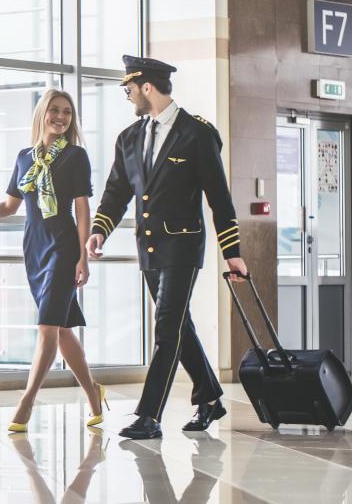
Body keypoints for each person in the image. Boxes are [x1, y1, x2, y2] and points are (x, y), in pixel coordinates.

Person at [86, 55, 248, 440]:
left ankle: (149, 415)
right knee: (178, 326)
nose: (128, 97)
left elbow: (219, 199)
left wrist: (232, 251)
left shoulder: (197, 134)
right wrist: (99, 230)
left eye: (129, 89)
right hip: (150, 249)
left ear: (147, 87)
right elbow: (116, 192)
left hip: (182, 246)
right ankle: (209, 396)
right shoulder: (128, 138)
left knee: (166, 327)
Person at [0, 88, 108, 433]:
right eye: (55, 111)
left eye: (67, 112)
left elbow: (82, 209)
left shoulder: (76, 156)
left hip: (63, 248)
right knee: (61, 330)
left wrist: (82, 257)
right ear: (42, 114)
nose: (61, 117)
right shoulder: (24, 158)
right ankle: (93, 393)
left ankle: (27, 400)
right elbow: (7, 207)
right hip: (34, 249)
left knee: (47, 327)